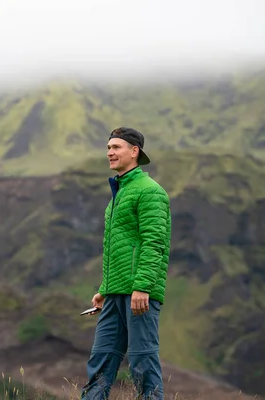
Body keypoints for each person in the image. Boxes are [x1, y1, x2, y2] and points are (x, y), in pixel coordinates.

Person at [81, 127, 171, 400]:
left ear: (135, 152)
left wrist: (142, 286)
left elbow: (154, 243)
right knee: (101, 361)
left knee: (143, 363)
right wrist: (104, 289)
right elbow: (119, 250)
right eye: (109, 147)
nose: (110, 152)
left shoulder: (150, 192)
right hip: (115, 295)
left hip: (139, 295)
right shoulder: (120, 193)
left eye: (117, 147)